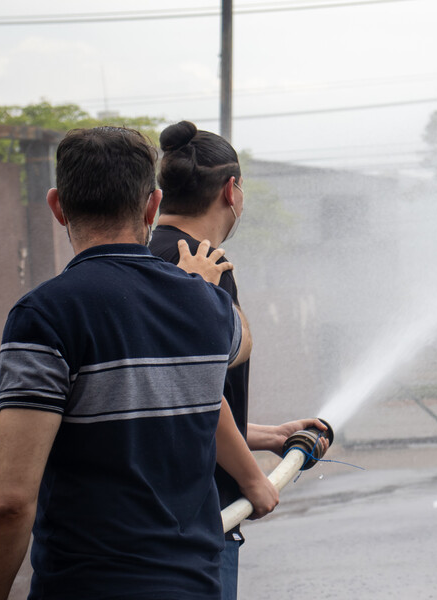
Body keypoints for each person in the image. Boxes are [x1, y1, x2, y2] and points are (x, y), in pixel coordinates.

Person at [0, 126, 277, 600]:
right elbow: (238, 348)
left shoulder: (45, 315)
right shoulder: (207, 305)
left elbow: (8, 502)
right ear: (152, 205)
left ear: (57, 206)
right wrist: (198, 289)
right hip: (195, 586)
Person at [149, 121, 326, 600]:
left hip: (151, 513)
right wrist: (253, 480)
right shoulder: (205, 268)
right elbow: (196, 388)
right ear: (231, 190)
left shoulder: (145, 257)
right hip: (200, 517)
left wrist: (267, 435)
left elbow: (163, 399)